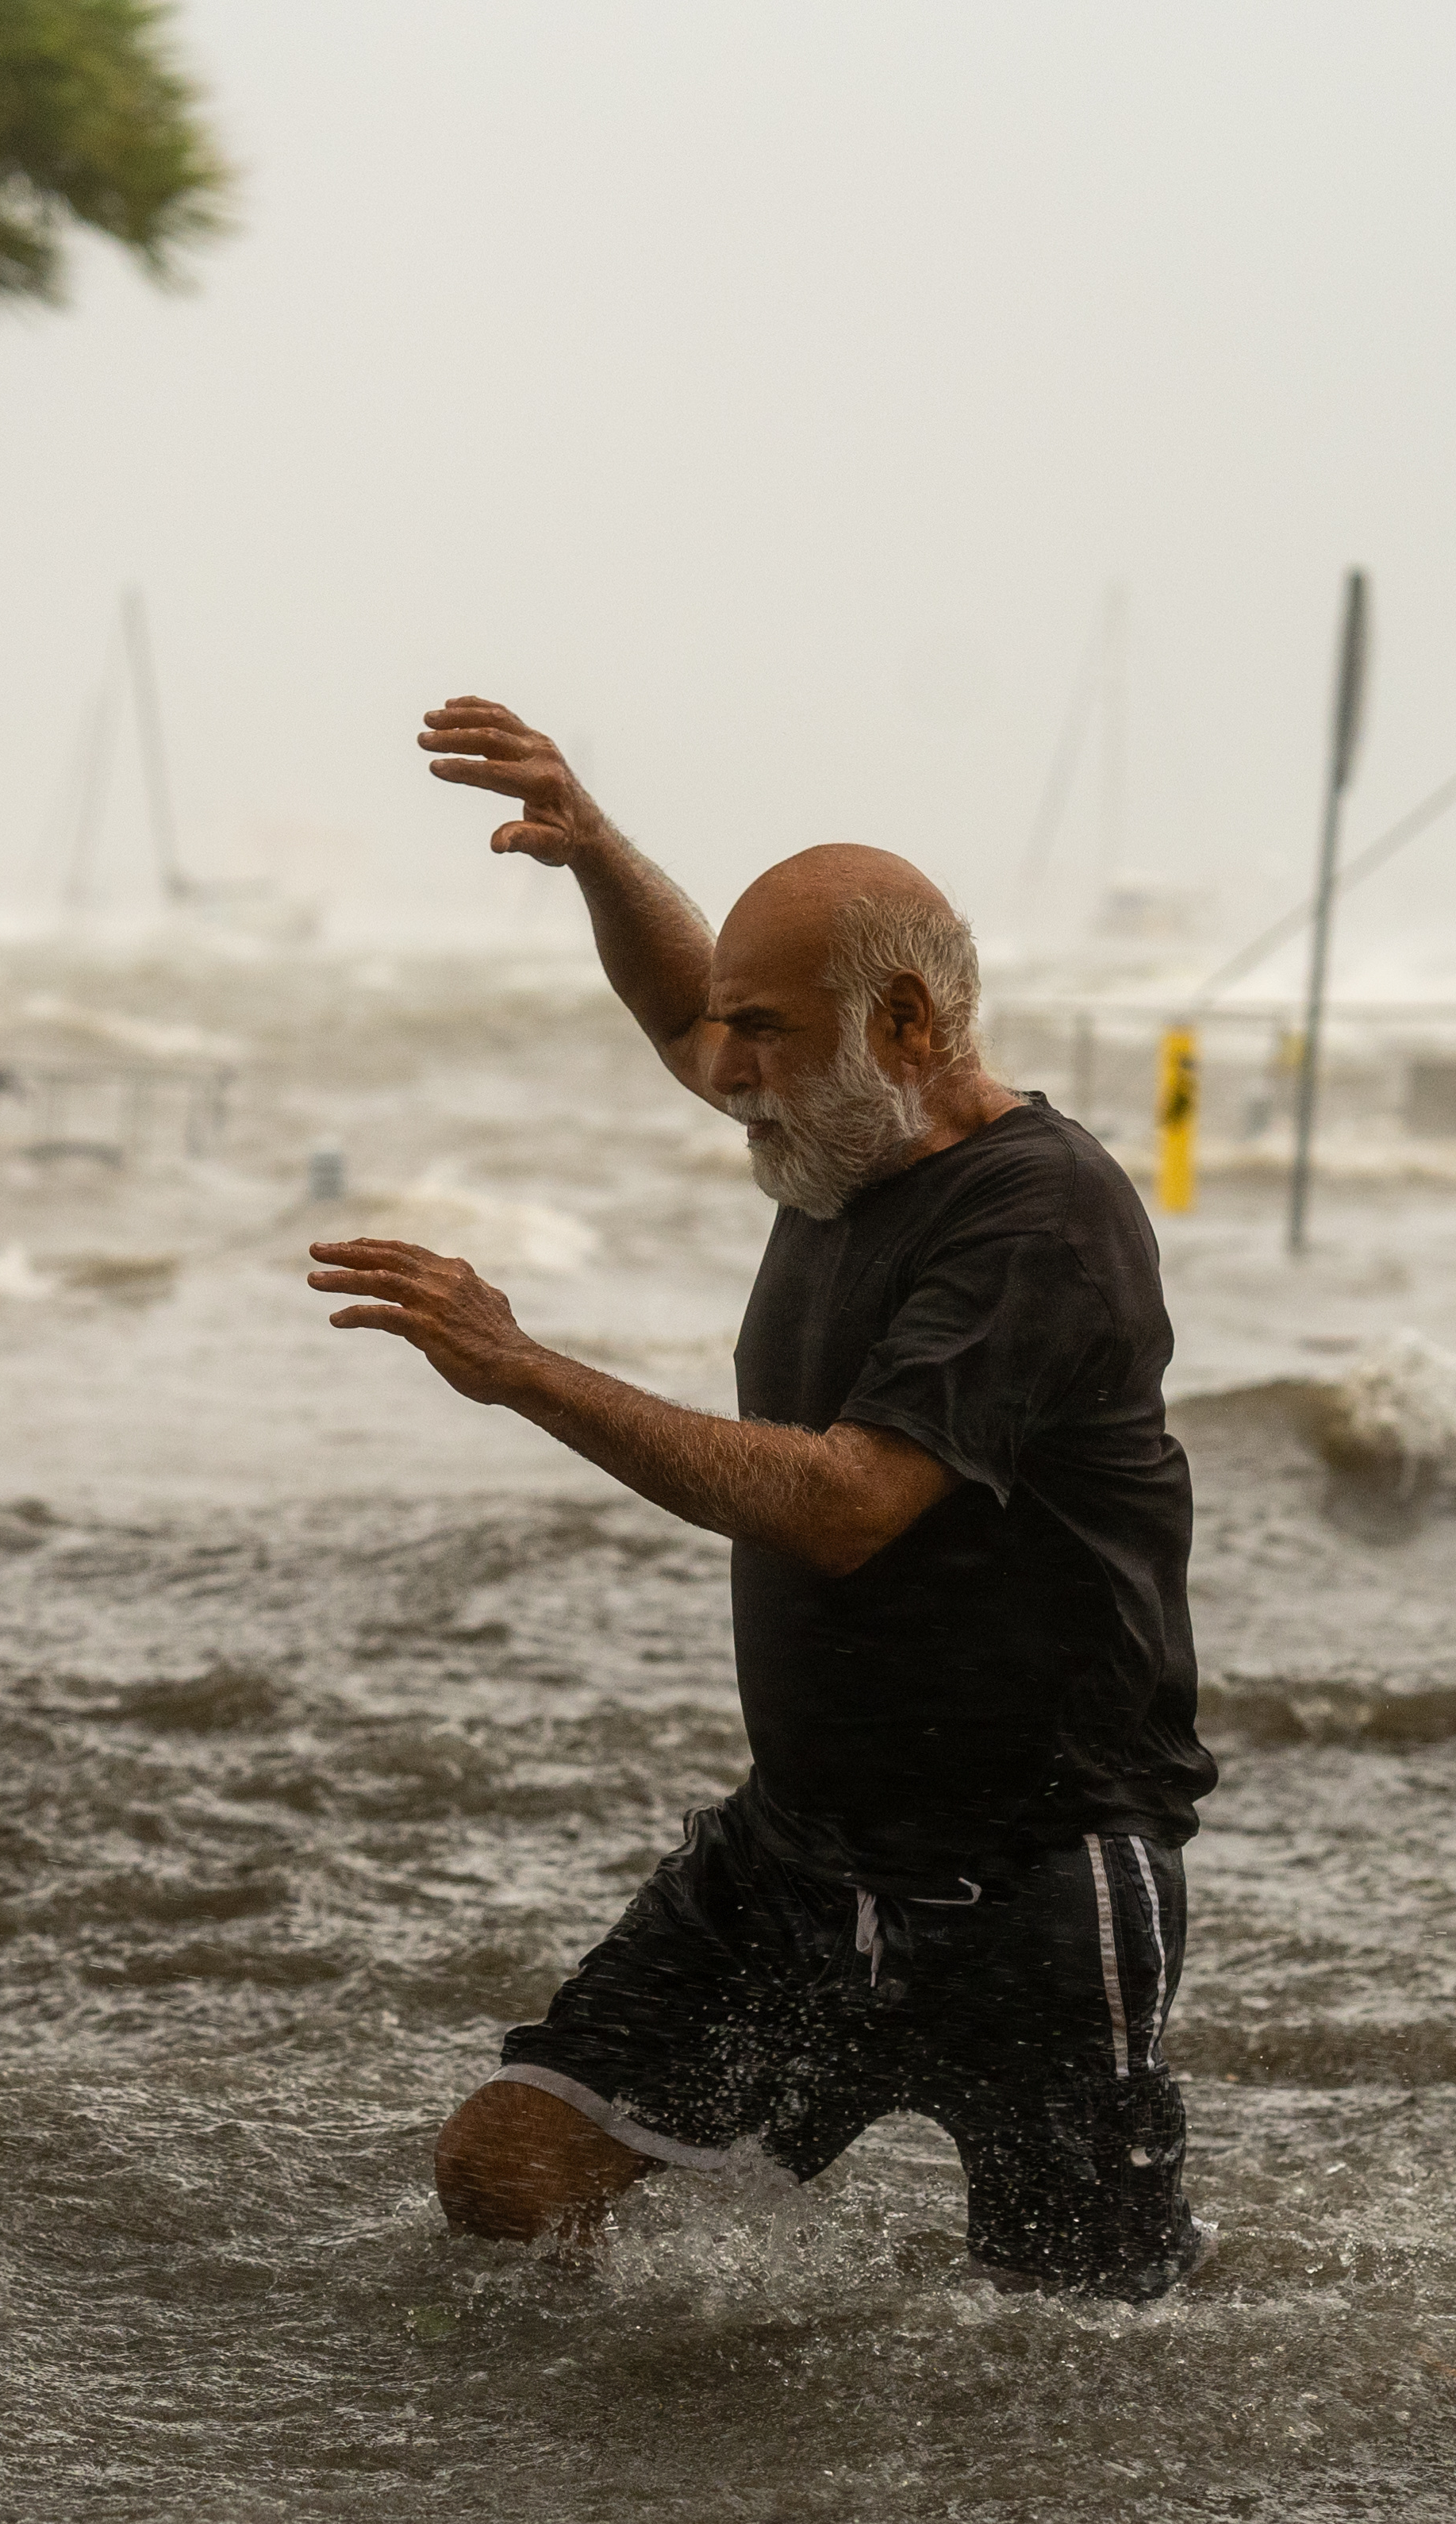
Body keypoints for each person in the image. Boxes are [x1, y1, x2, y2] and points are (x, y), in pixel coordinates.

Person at [310, 698, 1217, 2298]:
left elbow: (847, 1502)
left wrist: (525, 1370)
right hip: (800, 1861)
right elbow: (683, 1010)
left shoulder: (1039, 1218)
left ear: (914, 1025)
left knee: (1080, 2352)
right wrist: (595, 851)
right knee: (509, 2171)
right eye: (735, 1033)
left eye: (770, 1035)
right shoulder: (829, 1130)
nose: (729, 1072)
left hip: (1034, 1883)